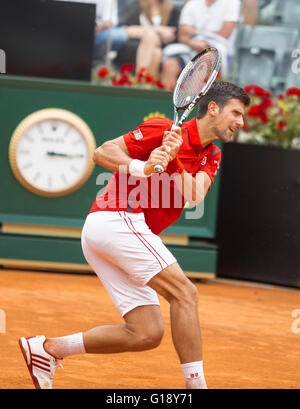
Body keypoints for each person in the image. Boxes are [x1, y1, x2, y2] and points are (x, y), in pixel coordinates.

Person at [19, 81, 250, 389]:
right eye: (236, 113)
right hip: (118, 219)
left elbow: (194, 195)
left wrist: (175, 157)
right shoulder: (161, 128)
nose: (241, 122)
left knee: (146, 333)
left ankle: (48, 350)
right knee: (186, 294)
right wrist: (142, 167)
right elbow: (102, 153)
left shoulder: (212, 155)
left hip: (119, 232)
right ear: (212, 109)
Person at [161, 0, 240, 89]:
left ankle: (190, 100)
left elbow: (224, 33)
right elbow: (182, 35)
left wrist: (194, 32)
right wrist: (193, 43)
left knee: (206, 58)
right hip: (191, 48)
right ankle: (167, 101)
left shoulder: (232, 2)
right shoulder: (192, 3)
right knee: (169, 64)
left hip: (220, 53)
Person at [114, 0, 181, 77]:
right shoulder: (135, 5)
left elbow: (172, 34)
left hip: (161, 47)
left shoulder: (172, 9)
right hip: (135, 46)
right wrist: (158, 30)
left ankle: (142, 81)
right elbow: (125, 29)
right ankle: (144, 83)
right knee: (151, 38)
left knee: (157, 53)